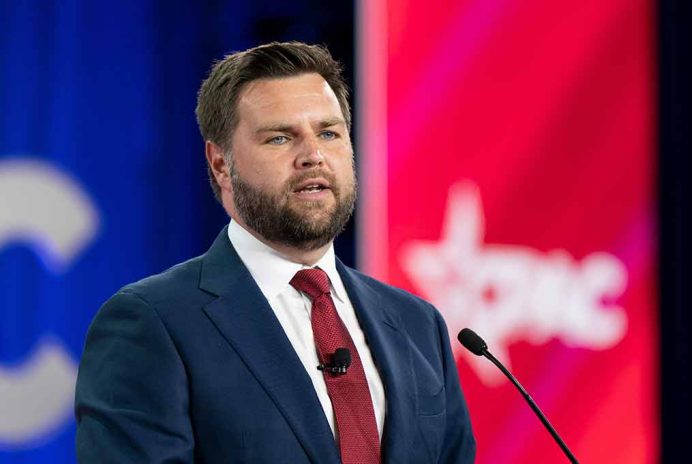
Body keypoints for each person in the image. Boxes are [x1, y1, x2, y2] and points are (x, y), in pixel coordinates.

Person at [74, 41, 476, 463]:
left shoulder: (417, 324)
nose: (313, 156)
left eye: (328, 133)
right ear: (220, 164)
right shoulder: (152, 323)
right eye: (280, 138)